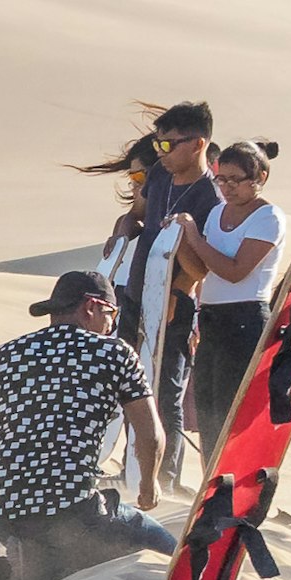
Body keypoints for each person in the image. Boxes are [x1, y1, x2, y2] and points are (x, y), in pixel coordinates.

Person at [0, 269, 172, 580]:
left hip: (3, 514)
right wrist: (148, 485)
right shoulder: (115, 354)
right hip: (74, 513)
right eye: (110, 314)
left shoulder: (4, 356)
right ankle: (18, 569)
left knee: (46, 567)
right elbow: (150, 434)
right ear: (90, 307)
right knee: (163, 550)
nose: (111, 325)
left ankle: (8, 570)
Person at [79, 102, 218, 486]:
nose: (162, 153)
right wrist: (122, 230)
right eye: (159, 145)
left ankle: (163, 478)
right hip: (134, 296)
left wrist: (176, 291)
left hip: (173, 307)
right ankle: (127, 468)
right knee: (125, 385)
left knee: (163, 393)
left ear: (198, 144)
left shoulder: (210, 199)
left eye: (169, 145)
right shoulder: (159, 175)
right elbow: (137, 212)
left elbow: (201, 267)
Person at [180, 140, 286, 448]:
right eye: (221, 179)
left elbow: (236, 270)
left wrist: (195, 238)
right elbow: (202, 270)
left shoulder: (268, 217)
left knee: (230, 412)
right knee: (207, 409)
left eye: (235, 180)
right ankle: (210, 487)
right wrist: (180, 241)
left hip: (245, 320)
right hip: (212, 318)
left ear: (260, 178)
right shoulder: (216, 214)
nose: (227, 187)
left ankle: (230, 487)